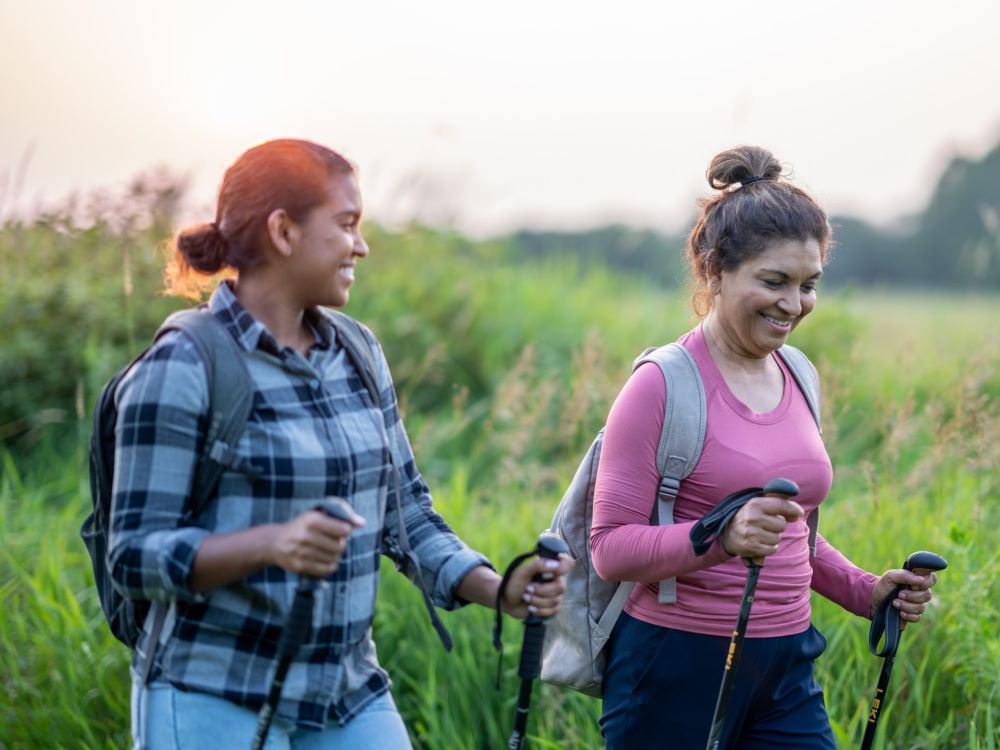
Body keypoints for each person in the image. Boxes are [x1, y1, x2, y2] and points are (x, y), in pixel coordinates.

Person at [108, 138, 572, 749]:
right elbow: (133, 556)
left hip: (347, 694)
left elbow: (406, 515)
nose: (361, 244)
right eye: (347, 224)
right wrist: (272, 544)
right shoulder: (183, 365)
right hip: (211, 694)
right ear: (284, 231)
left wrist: (500, 590)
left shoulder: (357, 352)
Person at [590, 145, 939, 749]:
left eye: (809, 285)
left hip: (785, 663)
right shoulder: (661, 385)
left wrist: (865, 591)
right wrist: (719, 538)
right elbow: (610, 549)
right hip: (676, 663)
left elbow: (794, 532)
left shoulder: (799, 373)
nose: (794, 304)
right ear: (713, 271)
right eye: (773, 281)